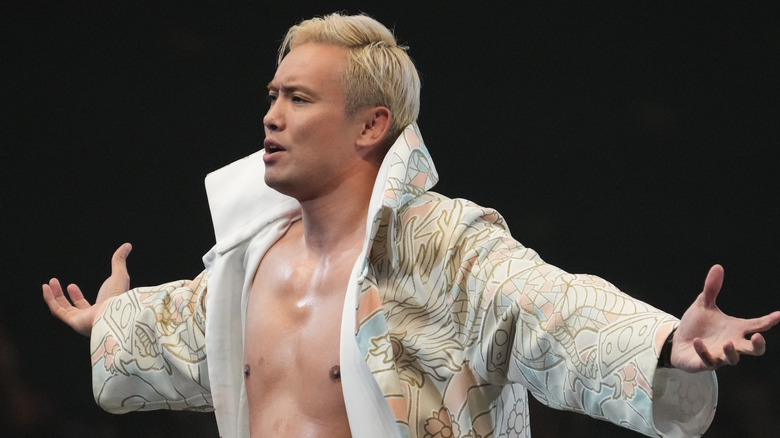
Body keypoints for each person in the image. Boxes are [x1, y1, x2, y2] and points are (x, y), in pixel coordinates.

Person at [43, 12, 780, 438]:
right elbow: (172, 331)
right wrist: (111, 320)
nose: (270, 115)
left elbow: (548, 306)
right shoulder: (243, 265)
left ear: (371, 125)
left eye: (298, 98)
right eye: (272, 94)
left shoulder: (440, 247)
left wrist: (660, 343)